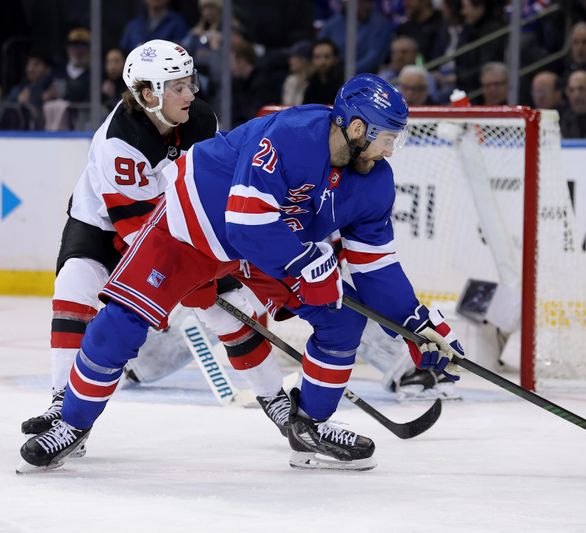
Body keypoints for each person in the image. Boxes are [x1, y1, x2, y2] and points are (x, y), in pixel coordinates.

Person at [18, 73, 464, 473]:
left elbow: (377, 265)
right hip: (193, 224)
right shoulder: (292, 132)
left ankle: (309, 426)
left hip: (265, 243)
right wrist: (310, 262)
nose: (390, 151)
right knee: (120, 322)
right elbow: (246, 221)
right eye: (387, 138)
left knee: (343, 319)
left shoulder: (375, 182)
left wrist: (418, 324)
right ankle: (72, 424)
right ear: (357, 127)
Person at [19, 40, 289, 464]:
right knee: (74, 285)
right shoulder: (119, 141)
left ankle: (278, 401)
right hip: (103, 225)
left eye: (190, 83)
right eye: (178, 86)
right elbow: (135, 231)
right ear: (148, 93)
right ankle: (62, 404)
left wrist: (205, 277)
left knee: (226, 307)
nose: (191, 94)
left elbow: (210, 192)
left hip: (180, 226)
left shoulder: (201, 120)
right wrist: (187, 284)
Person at [318, 0, 392, 74]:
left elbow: (374, 57)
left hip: (366, 76)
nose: (367, 6)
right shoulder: (335, 22)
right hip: (334, 73)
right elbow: (318, 45)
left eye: (368, 2)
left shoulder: (380, 24)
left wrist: (346, 71)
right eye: (361, 3)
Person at [120, 0, 189, 53]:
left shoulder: (178, 22)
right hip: (136, 69)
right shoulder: (133, 25)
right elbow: (123, 52)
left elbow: (182, 50)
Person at [303, 39, 345, 105]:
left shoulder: (344, 84)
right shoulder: (309, 86)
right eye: (317, 57)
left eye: (327, 57)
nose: (322, 62)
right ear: (311, 60)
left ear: (336, 59)